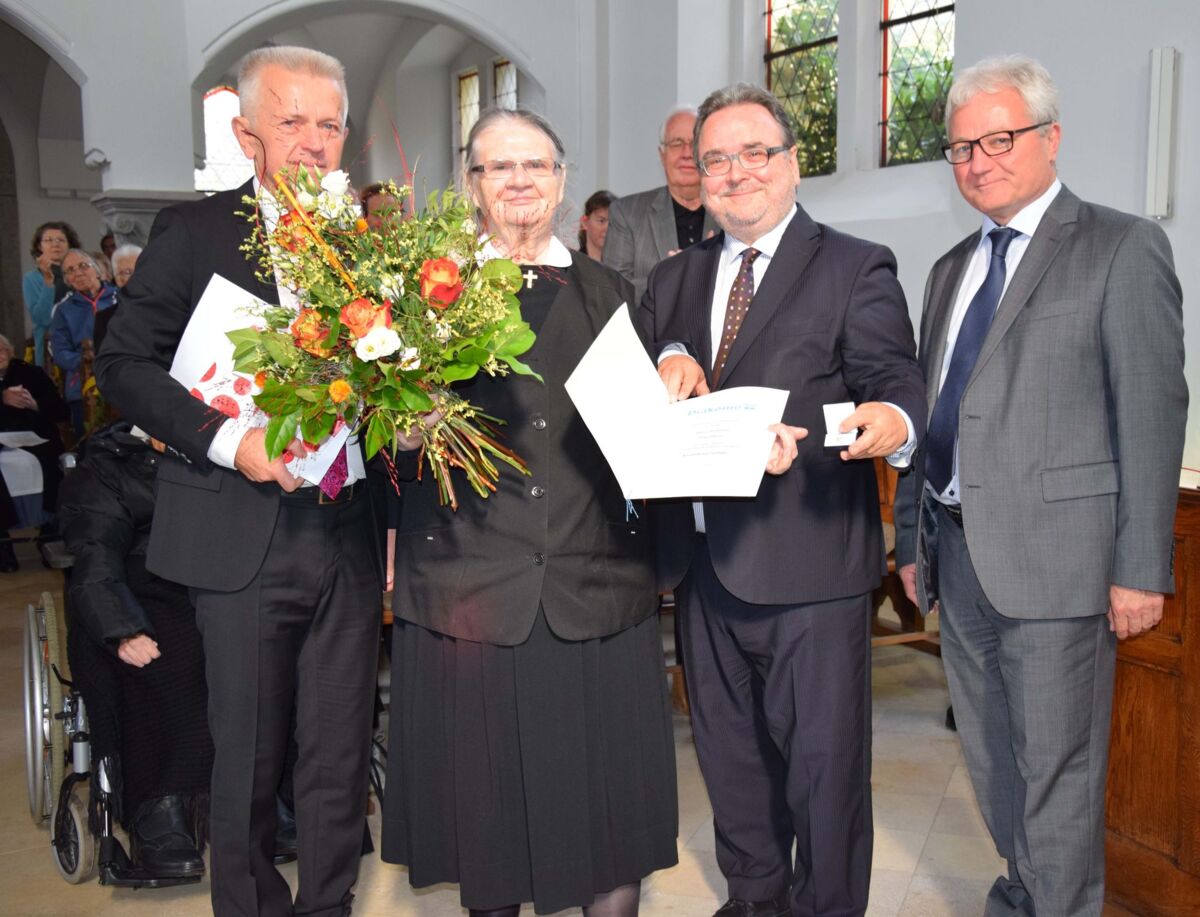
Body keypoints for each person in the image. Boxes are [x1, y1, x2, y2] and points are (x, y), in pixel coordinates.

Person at [894, 55, 1187, 917]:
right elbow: (932, 412)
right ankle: (1023, 893)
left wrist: (1141, 568)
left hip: (1062, 565)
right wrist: (912, 538)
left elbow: (1151, 411)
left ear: (1050, 138)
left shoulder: (1120, 246)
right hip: (958, 553)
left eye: (999, 139)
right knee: (992, 757)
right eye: (961, 148)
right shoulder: (951, 268)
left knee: (1058, 770)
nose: (978, 161)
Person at [95, 46, 381, 917]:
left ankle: (327, 904)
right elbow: (124, 364)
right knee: (249, 758)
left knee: (338, 757)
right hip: (239, 528)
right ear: (249, 133)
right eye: (292, 122)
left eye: (329, 124)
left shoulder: (369, 247)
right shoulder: (196, 232)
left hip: (346, 528)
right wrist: (227, 439)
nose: (314, 142)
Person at [381, 107, 678, 917]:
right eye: (498, 166)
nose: (519, 180)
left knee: (609, 820)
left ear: (562, 180)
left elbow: (643, 437)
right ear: (470, 183)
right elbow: (381, 449)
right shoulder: (418, 300)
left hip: (597, 588)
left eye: (536, 165)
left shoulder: (614, 293)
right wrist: (402, 430)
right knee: (489, 824)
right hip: (470, 594)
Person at [641, 83, 924, 917]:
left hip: (810, 566)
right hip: (703, 568)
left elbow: (893, 377)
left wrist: (891, 418)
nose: (736, 172)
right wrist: (664, 358)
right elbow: (655, 367)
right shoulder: (674, 276)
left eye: (755, 152)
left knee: (823, 775)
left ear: (794, 162)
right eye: (716, 159)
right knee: (732, 768)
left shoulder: (854, 265)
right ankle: (754, 901)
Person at [59, 422, 213, 878]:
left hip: (209, 583)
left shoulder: (223, 454)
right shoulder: (105, 468)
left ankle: (275, 797)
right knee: (172, 660)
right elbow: (94, 556)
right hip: (133, 588)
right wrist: (122, 630)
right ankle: (159, 808)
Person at [603, 106, 716, 303]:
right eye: (676, 143)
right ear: (662, 155)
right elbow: (612, 291)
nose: (686, 153)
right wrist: (669, 277)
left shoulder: (730, 213)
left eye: (694, 143)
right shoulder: (627, 213)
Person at [0, 332, 68, 570]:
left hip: (34, 437)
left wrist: (35, 404)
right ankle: (3, 544)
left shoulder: (30, 373)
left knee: (52, 460)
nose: (0, 355)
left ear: (11, 352)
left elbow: (61, 411)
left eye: (3, 350)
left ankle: (49, 536)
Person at [50, 249, 117, 438]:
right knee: (89, 439)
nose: (78, 273)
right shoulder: (64, 310)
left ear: (97, 271)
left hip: (121, 375)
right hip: (83, 382)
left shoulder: (119, 297)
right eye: (70, 270)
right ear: (67, 280)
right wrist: (88, 363)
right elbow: (60, 352)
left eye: (83, 266)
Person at [21, 220, 81, 367]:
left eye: (61, 240)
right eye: (48, 240)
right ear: (39, 246)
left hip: (81, 344)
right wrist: (48, 282)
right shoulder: (32, 278)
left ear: (70, 245)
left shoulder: (81, 274)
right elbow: (42, 318)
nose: (55, 244)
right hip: (50, 350)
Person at [577, 189, 614, 259]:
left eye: (614, 222)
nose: (608, 228)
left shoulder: (628, 263)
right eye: (601, 221)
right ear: (585, 222)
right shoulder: (570, 263)